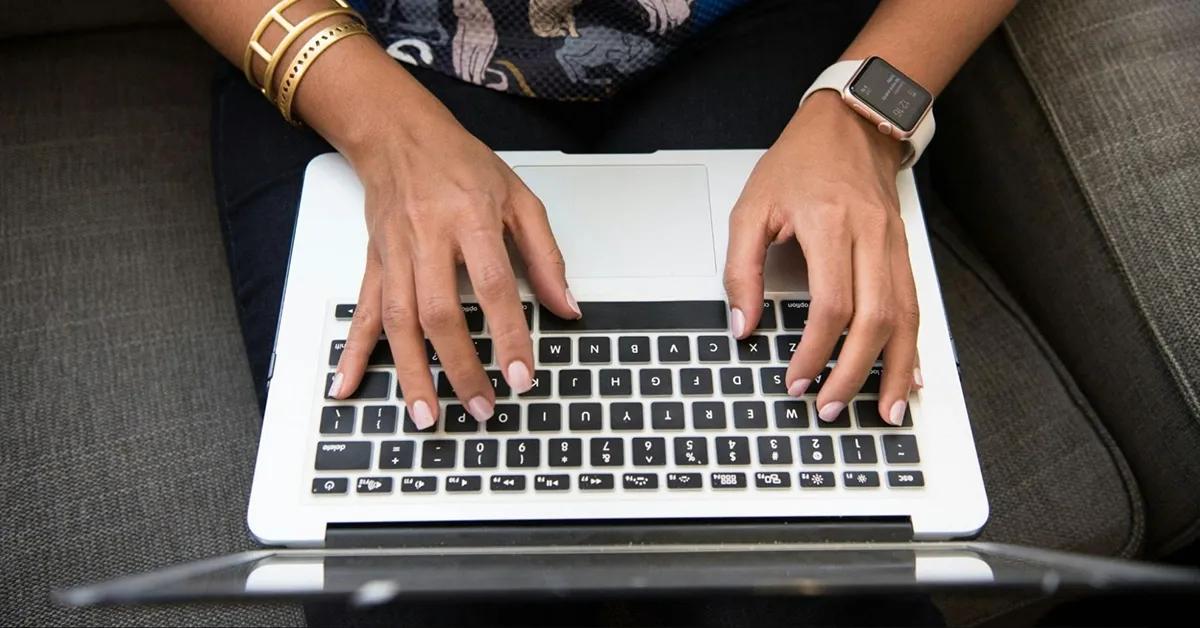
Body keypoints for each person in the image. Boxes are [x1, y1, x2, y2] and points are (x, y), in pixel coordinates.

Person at [166, 0, 1015, 427]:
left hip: (773, 33)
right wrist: (386, 134)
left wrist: (864, 109)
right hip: (373, 44)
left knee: (806, 525)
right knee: (417, 537)